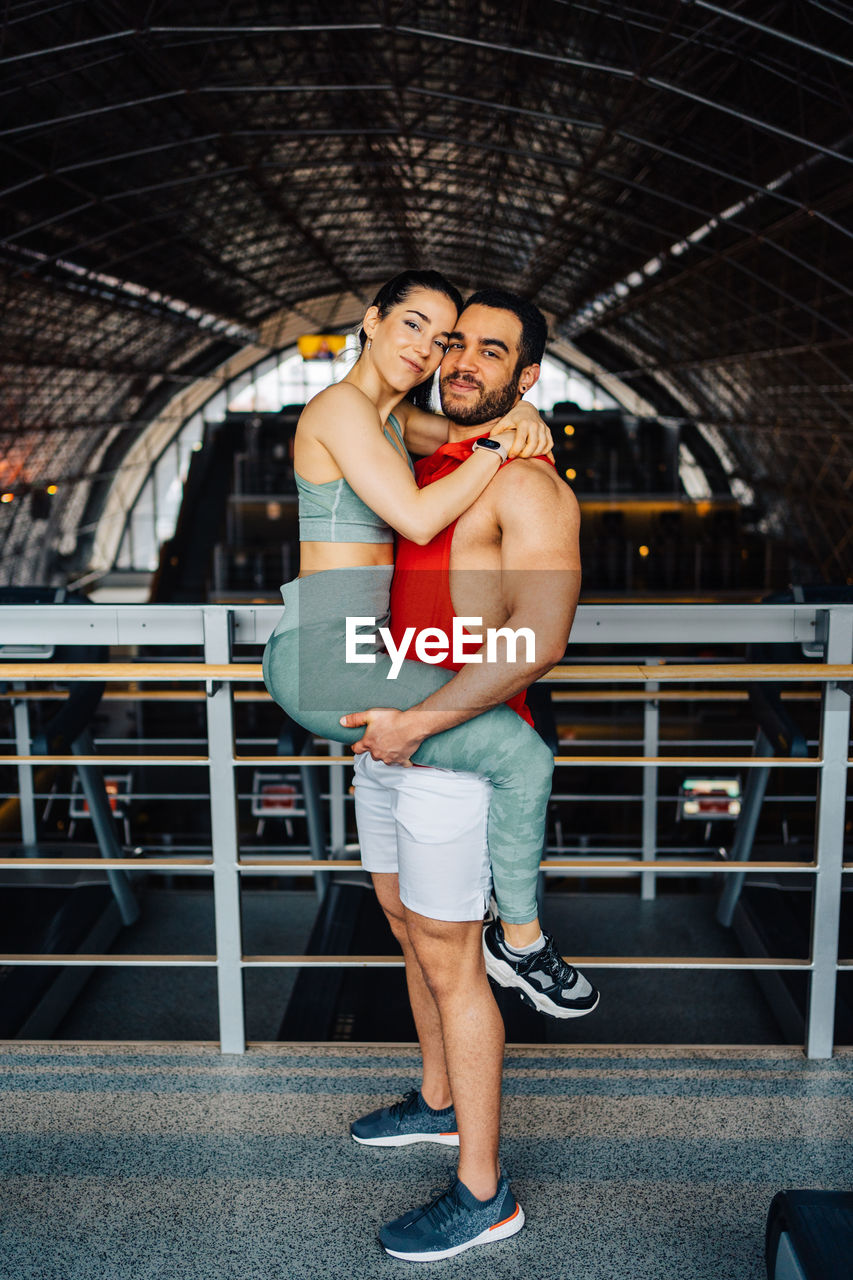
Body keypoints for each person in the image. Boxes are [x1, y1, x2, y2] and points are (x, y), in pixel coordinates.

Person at [346, 289, 596, 1261]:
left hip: (458, 739)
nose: (463, 360)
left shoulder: (530, 488)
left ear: (525, 376)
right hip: (393, 730)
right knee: (405, 918)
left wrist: (423, 722)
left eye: (492, 352)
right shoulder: (434, 453)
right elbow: (369, 400)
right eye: (456, 342)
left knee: (455, 963)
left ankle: (484, 1190)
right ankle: (437, 1098)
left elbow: (541, 637)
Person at [262, 269, 559, 959]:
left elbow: (482, 422)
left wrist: (523, 417)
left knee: (414, 928)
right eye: (412, 325)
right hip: (325, 653)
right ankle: (521, 941)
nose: (429, 350)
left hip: (361, 650)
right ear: (371, 321)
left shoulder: (391, 421)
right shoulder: (339, 407)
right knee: (520, 757)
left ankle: (467, 1013)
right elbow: (420, 518)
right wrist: (497, 446)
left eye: (445, 338)